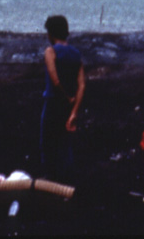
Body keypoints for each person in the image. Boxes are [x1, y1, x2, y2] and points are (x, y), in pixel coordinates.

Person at [41, 15, 85, 180]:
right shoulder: (76, 54)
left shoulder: (50, 51)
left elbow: (55, 79)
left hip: (53, 103)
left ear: (51, 33)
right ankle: (67, 179)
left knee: (47, 143)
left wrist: (67, 97)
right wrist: (74, 110)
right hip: (68, 106)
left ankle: (50, 179)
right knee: (65, 144)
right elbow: (82, 85)